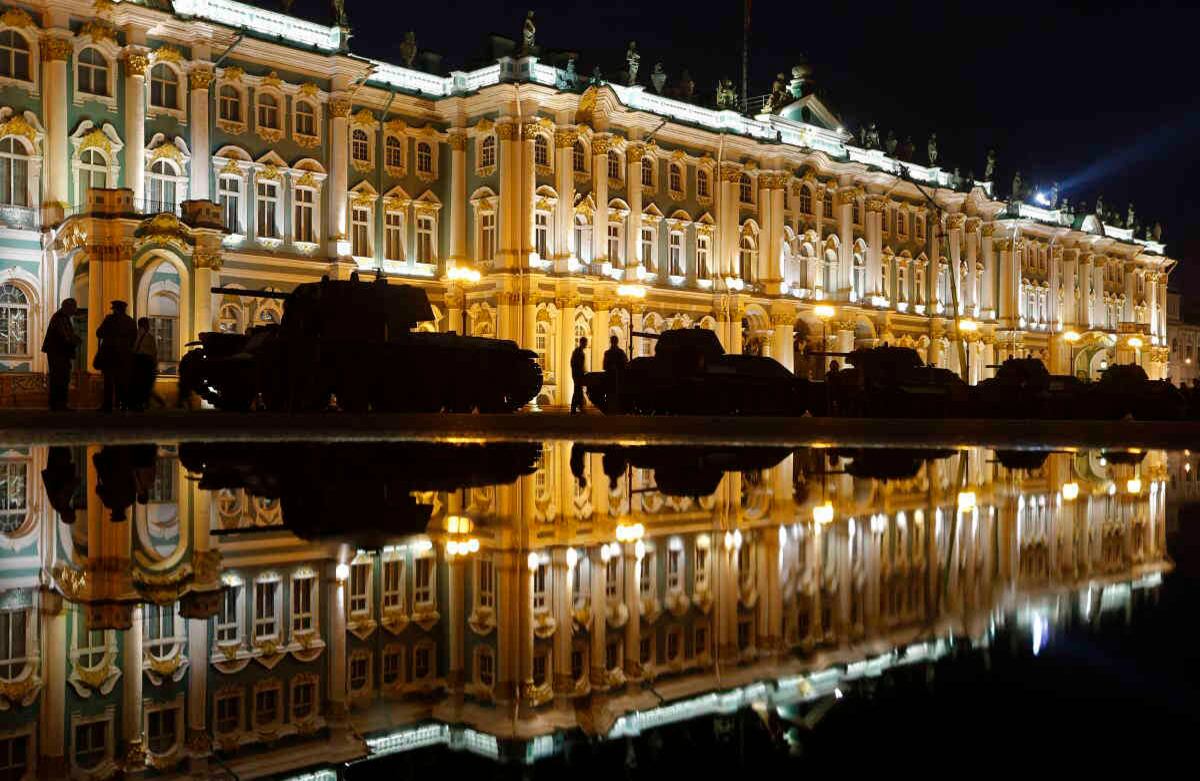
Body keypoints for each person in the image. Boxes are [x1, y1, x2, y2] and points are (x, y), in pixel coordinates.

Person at [94, 300, 136, 412]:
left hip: (110, 354)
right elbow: (134, 339)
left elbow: (99, 333)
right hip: (124, 355)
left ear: (116, 309)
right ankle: (122, 404)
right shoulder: (130, 321)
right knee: (122, 380)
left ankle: (107, 405)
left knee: (109, 380)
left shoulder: (109, 319)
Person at [41, 298, 80, 411]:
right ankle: (59, 404)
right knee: (60, 378)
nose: (75, 310)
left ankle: (57, 403)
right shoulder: (61, 318)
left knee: (60, 378)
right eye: (74, 307)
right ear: (68, 307)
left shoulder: (62, 317)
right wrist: (75, 340)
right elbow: (65, 336)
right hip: (59, 353)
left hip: (58, 352)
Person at [131, 317, 159, 411]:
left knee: (139, 384)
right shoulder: (149, 337)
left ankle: (140, 403)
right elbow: (154, 352)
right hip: (146, 361)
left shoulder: (135, 335)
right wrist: (155, 364)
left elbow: (132, 348)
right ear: (145, 325)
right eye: (147, 324)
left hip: (139, 360)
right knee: (145, 384)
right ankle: (143, 403)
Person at [570, 336, 588, 414]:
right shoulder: (578, 351)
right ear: (582, 343)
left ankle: (578, 407)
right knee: (577, 390)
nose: (586, 344)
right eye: (585, 343)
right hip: (577, 374)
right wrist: (580, 372)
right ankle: (575, 408)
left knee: (578, 391)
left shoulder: (579, 351)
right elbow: (574, 364)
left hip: (578, 374)